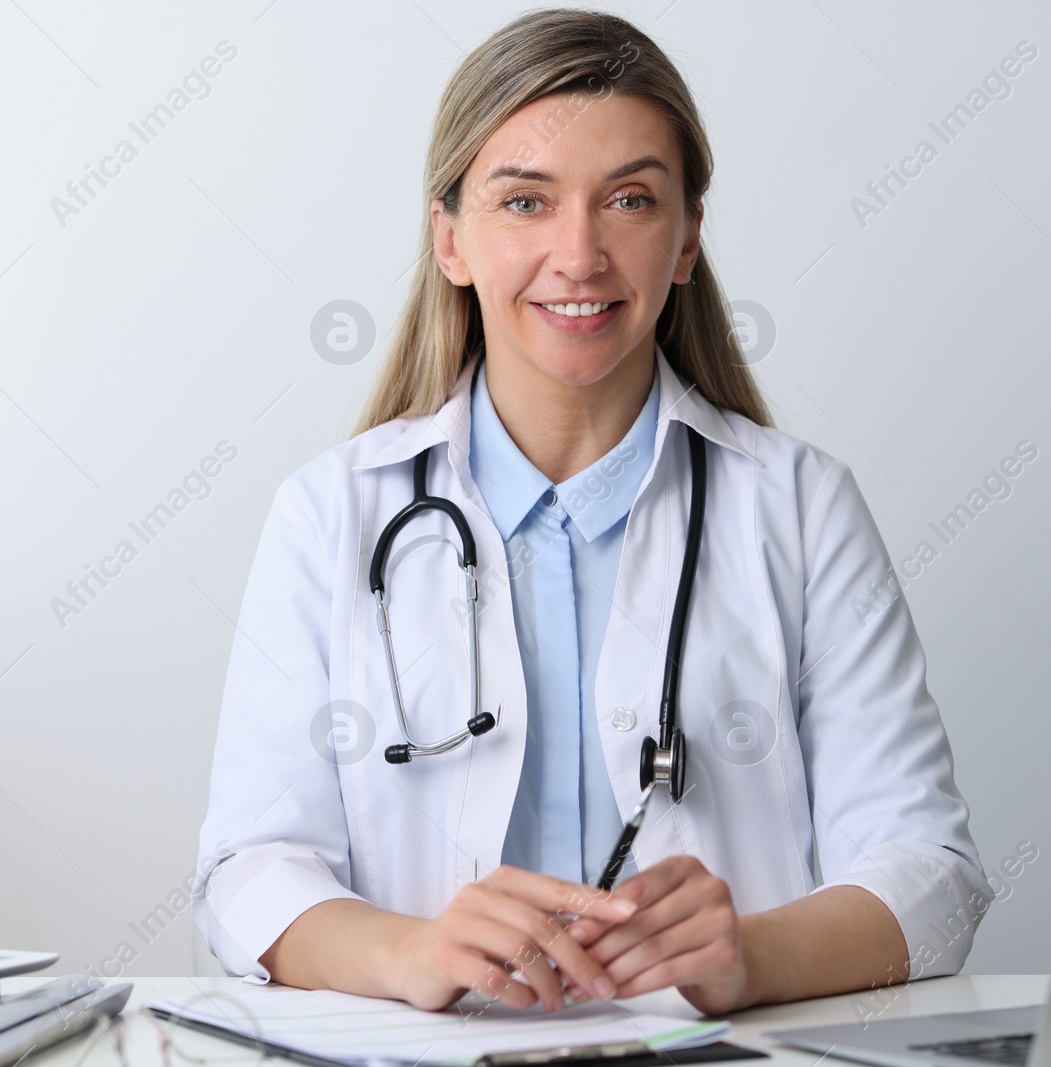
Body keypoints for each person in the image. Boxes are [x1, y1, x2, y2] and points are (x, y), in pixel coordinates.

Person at [192, 7, 990, 1017]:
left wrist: (750, 955)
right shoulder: (329, 514)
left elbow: (932, 875)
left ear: (687, 236)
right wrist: (411, 951)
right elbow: (246, 869)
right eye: (525, 202)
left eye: (628, 200)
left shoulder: (798, 507)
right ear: (450, 240)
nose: (579, 254)